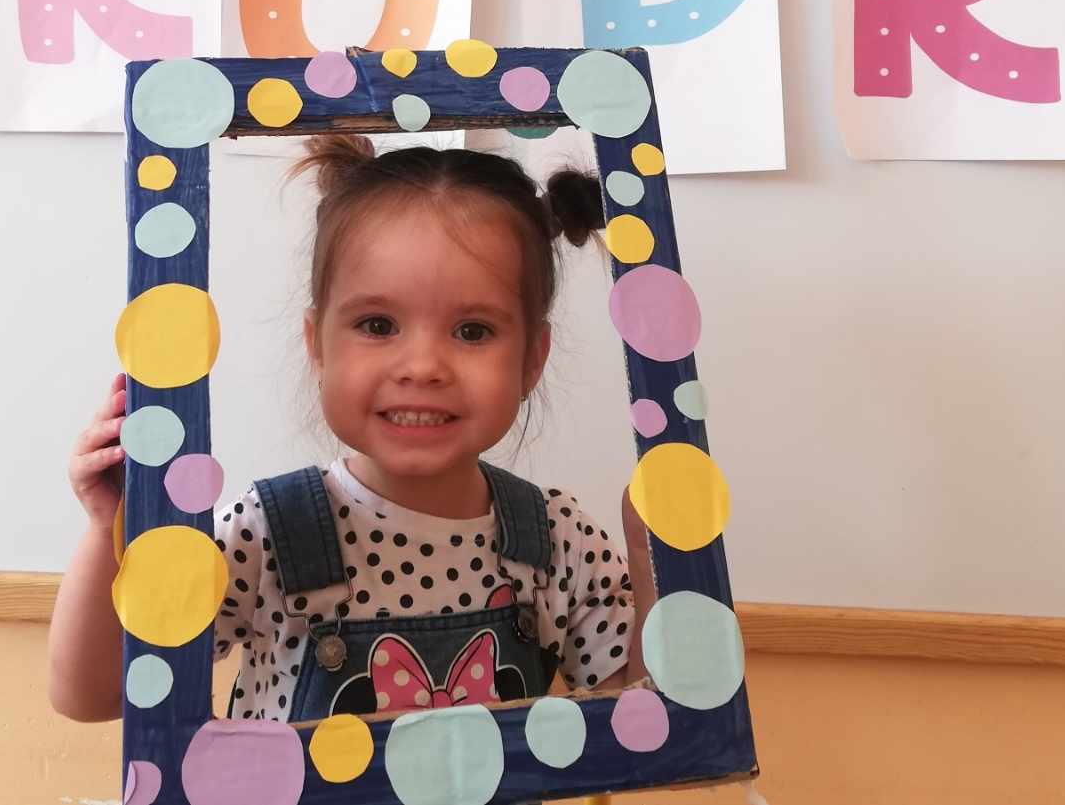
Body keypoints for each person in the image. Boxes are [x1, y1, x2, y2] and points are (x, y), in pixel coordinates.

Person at [49, 134, 654, 723]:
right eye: (377, 325)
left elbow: (647, 712)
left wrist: (652, 551)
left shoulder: (561, 542)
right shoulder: (264, 534)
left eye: (472, 331)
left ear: (531, 359)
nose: (422, 367)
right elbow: (96, 696)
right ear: (318, 346)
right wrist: (109, 530)